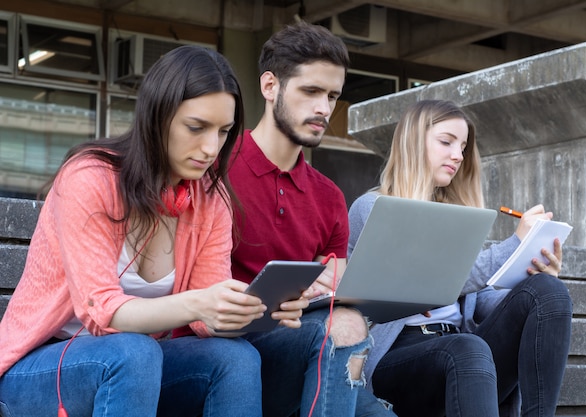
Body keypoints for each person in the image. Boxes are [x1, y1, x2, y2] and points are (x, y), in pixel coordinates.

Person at [0, 46, 267, 417]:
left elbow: (204, 321)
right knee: (133, 351)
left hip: (134, 370)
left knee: (234, 357)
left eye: (223, 132)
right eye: (196, 127)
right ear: (158, 116)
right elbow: (100, 312)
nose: (210, 148)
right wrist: (197, 303)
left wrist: (256, 309)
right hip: (37, 372)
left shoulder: (209, 199)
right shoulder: (90, 178)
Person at [350, 99, 573, 417]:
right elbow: (426, 283)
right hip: (399, 359)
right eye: (446, 142)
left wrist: (531, 271)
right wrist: (511, 245)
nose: (458, 155)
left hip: (467, 351)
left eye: (463, 146)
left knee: (548, 292)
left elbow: (483, 303)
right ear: (414, 142)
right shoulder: (372, 208)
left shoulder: (458, 217)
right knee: (468, 348)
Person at [227, 20, 389, 417]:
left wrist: (325, 287)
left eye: (332, 95)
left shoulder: (329, 196)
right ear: (270, 87)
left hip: (307, 345)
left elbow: (335, 283)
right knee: (344, 329)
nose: (323, 108)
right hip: (227, 350)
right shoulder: (216, 170)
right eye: (311, 91)